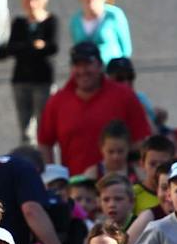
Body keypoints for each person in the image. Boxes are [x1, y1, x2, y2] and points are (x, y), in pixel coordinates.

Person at [37, 42, 152, 177]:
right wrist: (53, 177)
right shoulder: (57, 101)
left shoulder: (124, 95)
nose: (82, 71)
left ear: (100, 65)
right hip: (77, 189)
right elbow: (44, 143)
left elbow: (141, 141)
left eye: (88, 64)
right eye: (77, 65)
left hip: (118, 188)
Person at [0, 0, 58, 145]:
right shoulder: (19, 23)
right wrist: (34, 46)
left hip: (43, 81)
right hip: (21, 80)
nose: (32, 4)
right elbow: (11, 48)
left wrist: (27, 48)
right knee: (25, 129)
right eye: (28, 0)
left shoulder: (51, 21)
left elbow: (52, 47)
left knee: (45, 127)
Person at [69, 0, 131, 64]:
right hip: (87, 72)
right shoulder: (75, 20)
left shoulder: (114, 15)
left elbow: (126, 46)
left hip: (110, 69)